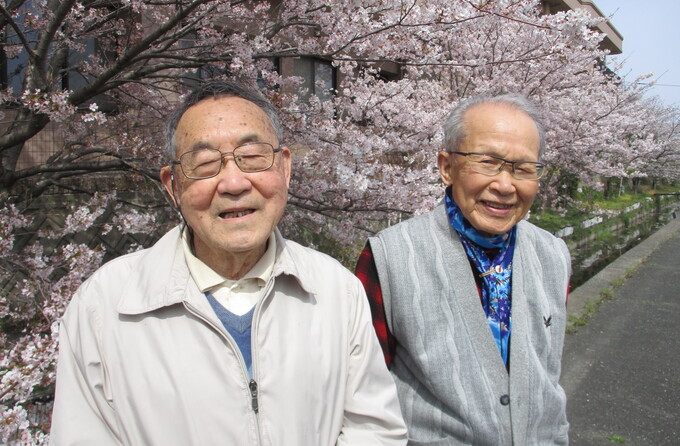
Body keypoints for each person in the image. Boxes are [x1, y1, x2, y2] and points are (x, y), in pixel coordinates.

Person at [50, 80, 407, 445]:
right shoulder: (106, 305)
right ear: (172, 185)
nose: (234, 183)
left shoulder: (334, 288)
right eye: (205, 164)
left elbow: (374, 429)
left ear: (284, 168)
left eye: (252, 157)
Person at [356, 94, 571, 445]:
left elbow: (547, 375)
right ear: (446, 167)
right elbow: (362, 393)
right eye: (488, 162)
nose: (504, 185)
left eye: (523, 168)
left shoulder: (554, 255)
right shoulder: (389, 256)